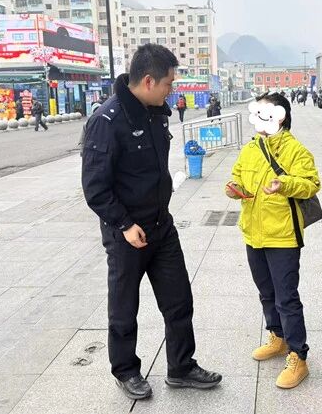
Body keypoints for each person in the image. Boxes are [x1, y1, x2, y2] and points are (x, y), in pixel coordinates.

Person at [81, 43, 222, 401]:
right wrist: (125, 225)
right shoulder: (106, 121)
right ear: (148, 80)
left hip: (162, 226)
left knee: (179, 300)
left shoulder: (156, 113)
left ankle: (181, 367)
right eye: (168, 84)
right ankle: (126, 370)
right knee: (124, 307)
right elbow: (95, 187)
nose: (171, 91)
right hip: (127, 234)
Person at [226, 92, 320, 390]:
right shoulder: (251, 149)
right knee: (266, 292)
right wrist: (233, 187)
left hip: (282, 236)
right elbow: (237, 175)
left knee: (286, 297)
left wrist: (285, 184)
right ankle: (278, 337)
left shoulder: (295, 150)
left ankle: (298, 356)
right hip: (253, 233)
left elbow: (311, 184)